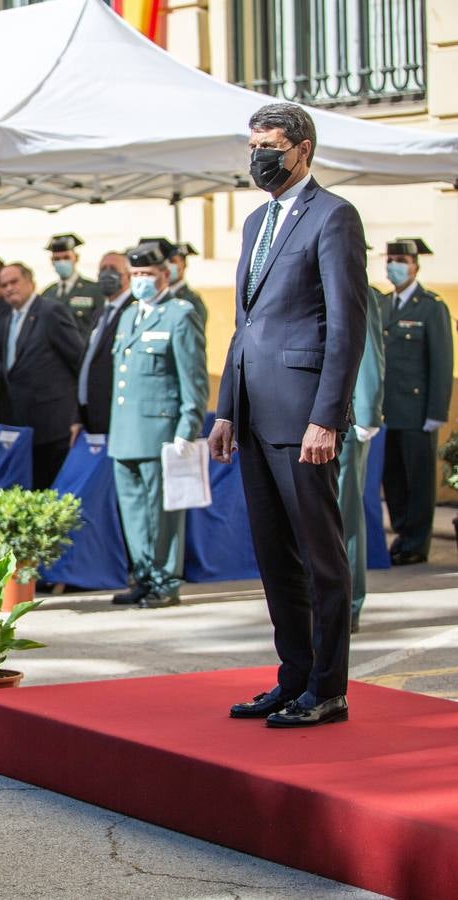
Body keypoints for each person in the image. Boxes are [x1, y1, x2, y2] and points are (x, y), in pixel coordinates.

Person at [212, 102, 367, 728]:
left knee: (319, 558)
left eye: (269, 145)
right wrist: (225, 408)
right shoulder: (256, 221)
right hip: (252, 414)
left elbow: (346, 326)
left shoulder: (334, 216)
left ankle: (328, 687)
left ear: (302, 148)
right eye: (252, 146)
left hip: (304, 419)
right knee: (275, 559)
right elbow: (244, 324)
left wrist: (327, 418)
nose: (259, 157)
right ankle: (294, 678)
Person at [107, 243, 208, 609]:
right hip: (125, 432)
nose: (141, 282)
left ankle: (165, 580)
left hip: (160, 431)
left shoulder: (179, 315)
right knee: (133, 511)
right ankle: (144, 575)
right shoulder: (128, 315)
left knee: (161, 514)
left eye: (147, 275)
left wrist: (188, 426)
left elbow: (193, 378)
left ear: (165, 274)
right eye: (134, 276)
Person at [380, 237, 452, 566]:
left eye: (400, 260)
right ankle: (402, 534)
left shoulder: (431, 306)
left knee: (418, 479)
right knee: (392, 478)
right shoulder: (381, 305)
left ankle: (416, 542)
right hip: (385, 410)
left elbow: (441, 363)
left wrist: (437, 411)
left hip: (417, 410)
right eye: (390, 259)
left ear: (414, 265)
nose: (394, 265)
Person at [0, 262, 85, 488]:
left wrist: (79, 415)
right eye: (4, 284)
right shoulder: (7, 318)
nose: (9, 288)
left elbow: (78, 360)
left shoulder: (50, 312)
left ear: (30, 282)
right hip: (23, 424)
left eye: (14, 282)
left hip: (54, 425)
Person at [340, 274, 385, 633]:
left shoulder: (357, 288)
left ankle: (349, 601)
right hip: (308, 421)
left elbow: (368, 353)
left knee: (344, 513)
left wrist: (366, 415)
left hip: (346, 421)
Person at [74, 251, 132, 439]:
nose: (107, 274)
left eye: (113, 269)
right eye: (103, 269)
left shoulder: (133, 310)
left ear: (128, 275)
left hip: (114, 415)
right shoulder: (101, 312)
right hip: (89, 414)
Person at [40, 233, 105, 335]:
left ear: (76, 258)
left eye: (66, 257)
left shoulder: (94, 291)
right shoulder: (47, 294)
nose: (62, 262)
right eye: (57, 259)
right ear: (52, 261)